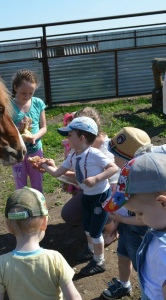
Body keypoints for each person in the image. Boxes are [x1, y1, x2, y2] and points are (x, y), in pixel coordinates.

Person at [35, 116, 119, 276]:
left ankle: (99, 261)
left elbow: (113, 168)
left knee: (95, 231)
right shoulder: (74, 156)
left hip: (100, 197)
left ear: (81, 138)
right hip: (87, 196)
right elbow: (58, 172)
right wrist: (44, 165)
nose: (67, 139)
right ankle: (91, 250)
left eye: (69, 135)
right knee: (87, 227)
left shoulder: (94, 154)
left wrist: (96, 178)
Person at [0, 187, 82, 300]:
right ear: (44, 223)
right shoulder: (55, 259)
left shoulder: (2, 264)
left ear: (8, 226)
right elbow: (74, 297)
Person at [102, 153, 166, 300]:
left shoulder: (163, 251)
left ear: (162, 203)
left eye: (140, 213)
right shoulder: (158, 228)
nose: (138, 217)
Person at [101, 127, 151, 299]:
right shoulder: (125, 175)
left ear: (130, 160)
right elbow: (119, 203)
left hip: (138, 231)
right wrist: (118, 223)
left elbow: (145, 220)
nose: (113, 158)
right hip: (125, 226)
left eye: (117, 156)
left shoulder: (142, 184)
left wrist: (121, 219)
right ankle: (124, 285)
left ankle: (149, 294)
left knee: (143, 267)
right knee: (122, 256)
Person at [59, 107, 118, 246]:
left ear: (83, 134)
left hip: (108, 192)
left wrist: (95, 179)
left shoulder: (105, 150)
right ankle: (95, 222)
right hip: (88, 190)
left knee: (96, 209)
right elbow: (78, 172)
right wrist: (52, 169)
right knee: (70, 214)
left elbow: (113, 177)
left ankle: (111, 228)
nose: (69, 137)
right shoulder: (79, 147)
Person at [10, 69, 47, 193]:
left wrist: (35, 137)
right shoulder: (8, 107)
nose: (27, 97)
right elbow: (7, 132)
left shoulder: (38, 103)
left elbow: (44, 127)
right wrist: (20, 130)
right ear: (15, 88)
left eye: (30, 93)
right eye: (23, 93)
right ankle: (23, 209)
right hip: (17, 153)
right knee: (21, 185)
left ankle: (40, 209)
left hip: (35, 151)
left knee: (37, 183)